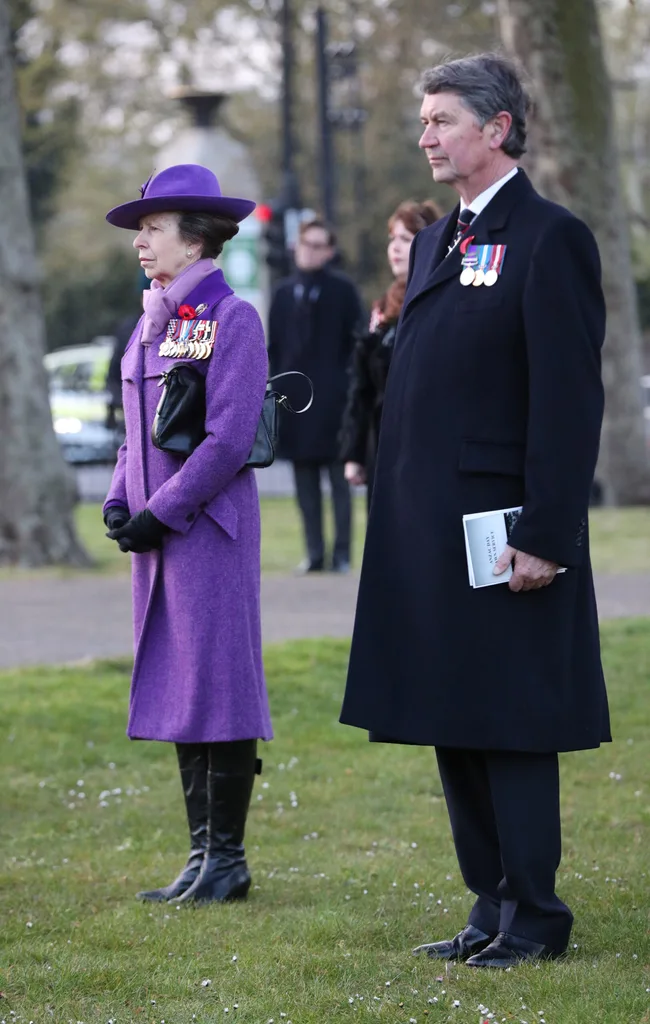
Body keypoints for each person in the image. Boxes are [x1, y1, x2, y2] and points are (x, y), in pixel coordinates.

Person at [339, 54, 610, 968]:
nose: (425, 136)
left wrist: (545, 533)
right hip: (428, 531)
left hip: (505, 532)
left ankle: (536, 915)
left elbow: (570, 403)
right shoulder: (443, 242)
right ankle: (489, 906)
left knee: (511, 720)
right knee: (454, 714)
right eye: (423, 120)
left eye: (441, 119)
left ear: (496, 128)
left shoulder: (550, 236)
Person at [102, 163, 273, 905]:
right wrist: (118, 499)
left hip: (207, 531)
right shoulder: (152, 320)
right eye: (141, 231)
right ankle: (202, 857)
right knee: (180, 683)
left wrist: (159, 511)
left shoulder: (230, 318)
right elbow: (132, 435)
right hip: (157, 534)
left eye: (154, 229)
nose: (142, 242)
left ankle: (227, 860)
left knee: (219, 686)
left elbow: (229, 440)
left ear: (196, 239)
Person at [268, 218, 364, 573]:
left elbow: (356, 345)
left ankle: (341, 554)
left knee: (340, 483)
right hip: (294, 402)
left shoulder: (342, 290)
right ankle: (314, 553)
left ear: (330, 250)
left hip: (335, 402)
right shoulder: (283, 292)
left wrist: (349, 389)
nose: (310, 251)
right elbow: (274, 347)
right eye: (305, 243)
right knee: (305, 485)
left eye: (318, 245)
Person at [340, 199, 442, 503]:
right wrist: (354, 453)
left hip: (427, 449)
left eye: (406, 239)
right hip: (383, 446)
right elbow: (362, 387)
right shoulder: (382, 309)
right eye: (392, 239)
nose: (395, 248)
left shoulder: (440, 300)